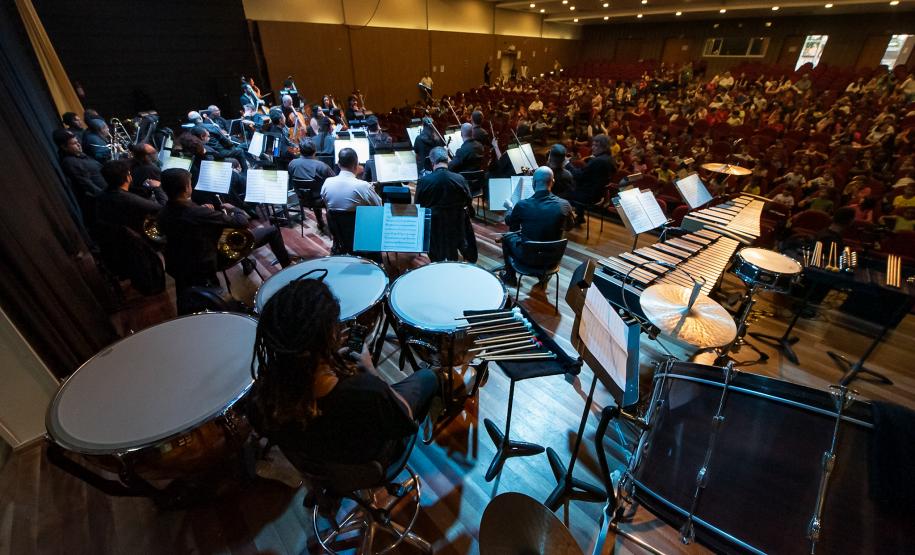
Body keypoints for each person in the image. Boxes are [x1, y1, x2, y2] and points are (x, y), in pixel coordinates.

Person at [247, 278, 440, 467]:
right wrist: (371, 370)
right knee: (427, 377)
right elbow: (403, 417)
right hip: (371, 458)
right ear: (328, 335)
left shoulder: (261, 398)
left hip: (320, 464)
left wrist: (326, 362)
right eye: (335, 325)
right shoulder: (367, 391)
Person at [157, 168, 293, 294]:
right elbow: (242, 222)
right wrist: (235, 209)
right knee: (272, 231)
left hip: (181, 263)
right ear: (186, 188)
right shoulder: (197, 212)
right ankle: (289, 270)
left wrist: (206, 214)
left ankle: (248, 263)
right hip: (210, 260)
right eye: (190, 184)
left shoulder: (162, 212)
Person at [498, 166, 575, 285]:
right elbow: (569, 227)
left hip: (528, 259)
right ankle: (543, 277)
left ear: (533, 183)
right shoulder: (564, 205)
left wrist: (509, 208)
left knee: (507, 237)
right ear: (552, 182)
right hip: (552, 259)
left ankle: (510, 277)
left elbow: (510, 222)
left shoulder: (522, 205)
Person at [416, 147, 476, 262]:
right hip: (456, 227)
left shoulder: (424, 181)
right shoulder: (460, 179)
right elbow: (468, 200)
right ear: (447, 160)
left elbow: (418, 205)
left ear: (432, 162)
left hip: (434, 229)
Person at [96, 159, 166, 233]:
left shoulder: (101, 194)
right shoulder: (129, 199)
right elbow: (163, 208)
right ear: (128, 178)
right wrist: (158, 188)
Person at [53, 128, 106, 225]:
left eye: (77, 141)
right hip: (102, 206)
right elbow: (88, 186)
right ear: (64, 147)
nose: (79, 144)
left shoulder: (78, 155)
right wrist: (109, 197)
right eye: (74, 143)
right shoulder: (70, 163)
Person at [287, 138, 337, 231]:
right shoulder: (321, 166)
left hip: (302, 200)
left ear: (300, 150)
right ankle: (334, 226)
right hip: (320, 201)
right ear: (315, 151)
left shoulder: (292, 164)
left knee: (313, 191)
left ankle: (320, 222)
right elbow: (335, 182)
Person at [566, 134, 617, 224]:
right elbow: (589, 174)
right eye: (593, 145)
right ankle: (580, 217)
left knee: (562, 191)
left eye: (596, 145)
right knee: (575, 184)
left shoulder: (598, 161)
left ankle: (566, 221)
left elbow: (579, 176)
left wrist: (567, 164)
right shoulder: (610, 159)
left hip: (589, 196)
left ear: (604, 147)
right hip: (600, 194)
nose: (592, 148)